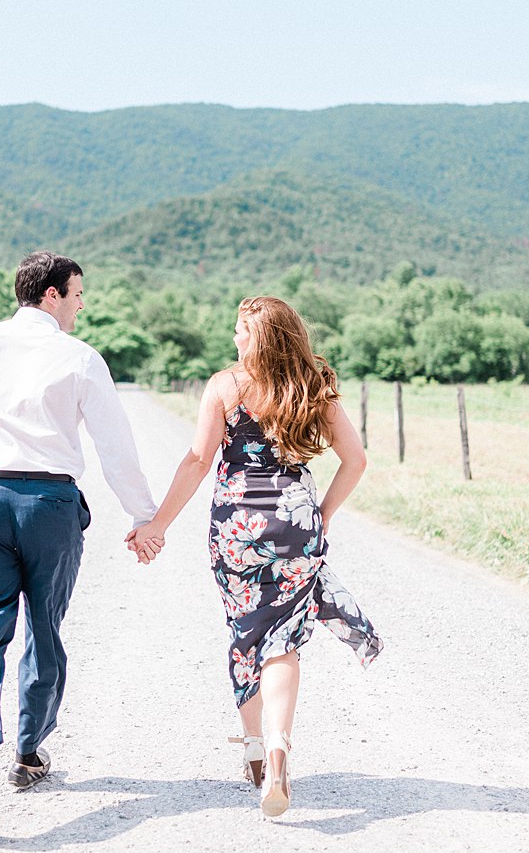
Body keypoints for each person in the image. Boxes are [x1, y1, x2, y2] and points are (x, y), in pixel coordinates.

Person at [0, 251, 159, 840]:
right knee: (44, 627)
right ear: (51, 294)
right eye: (77, 293)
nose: (81, 303)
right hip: (49, 505)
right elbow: (114, 446)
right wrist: (144, 516)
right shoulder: (78, 357)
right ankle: (27, 753)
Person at [126, 296, 383, 818]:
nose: (235, 339)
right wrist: (323, 515)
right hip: (296, 526)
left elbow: (200, 460)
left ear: (259, 337)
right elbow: (355, 460)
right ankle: (277, 747)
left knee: (247, 636)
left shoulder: (225, 386)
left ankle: (253, 750)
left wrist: (157, 525)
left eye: (241, 331)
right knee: (283, 641)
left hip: (237, 529)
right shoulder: (313, 388)